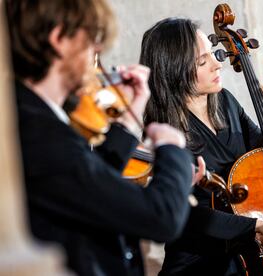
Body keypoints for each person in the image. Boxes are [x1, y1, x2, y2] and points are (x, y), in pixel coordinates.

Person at [5, 1, 201, 275]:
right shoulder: (38, 131)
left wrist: (128, 118)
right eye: (92, 41)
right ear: (60, 39)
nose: (98, 52)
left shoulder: (34, 117)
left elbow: (92, 185)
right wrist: (172, 146)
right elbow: (161, 218)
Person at [140, 18, 263, 275]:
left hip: (245, 254)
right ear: (175, 70)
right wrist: (262, 226)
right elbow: (191, 215)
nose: (218, 63)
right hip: (199, 265)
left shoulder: (224, 102)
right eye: (203, 61)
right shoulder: (164, 132)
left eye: (213, 54)